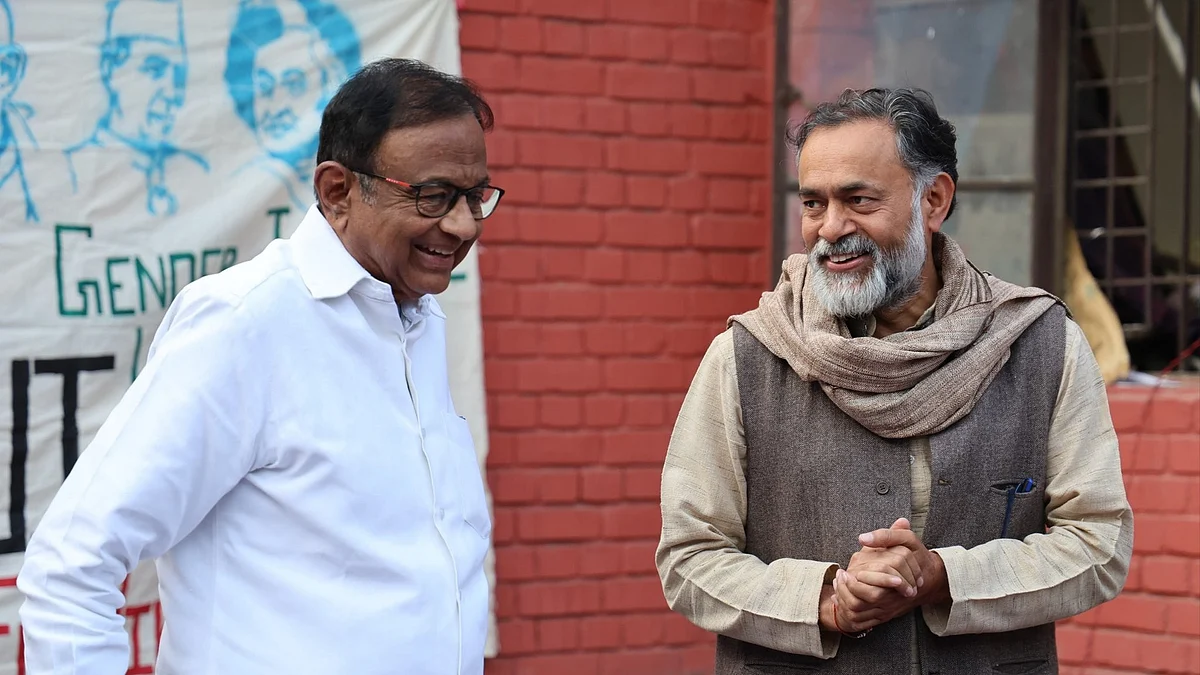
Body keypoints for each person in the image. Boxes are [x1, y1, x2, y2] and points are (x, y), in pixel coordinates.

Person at [18, 58, 505, 675]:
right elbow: (72, 564)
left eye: (475, 196)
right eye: (434, 196)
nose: (463, 225)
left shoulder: (417, 320)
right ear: (338, 190)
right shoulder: (244, 323)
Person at [656, 87, 1132, 675]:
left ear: (933, 200)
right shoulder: (746, 356)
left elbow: (1098, 546)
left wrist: (946, 579)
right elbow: (689, 558)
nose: (830, 228)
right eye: (812, 203)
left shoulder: (1039, 343)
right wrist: (822, 600)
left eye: (858, 199)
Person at [65, 0, 208, 217]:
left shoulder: (196, 174)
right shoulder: (69, 173)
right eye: (155, 70)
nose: (173, 94)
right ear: (110, 69)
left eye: (179, 73)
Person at [225, 0, 360, 211]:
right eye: (265, 86)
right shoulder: (233, 189)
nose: (276, 104)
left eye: (293, 83)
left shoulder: (364, 186)